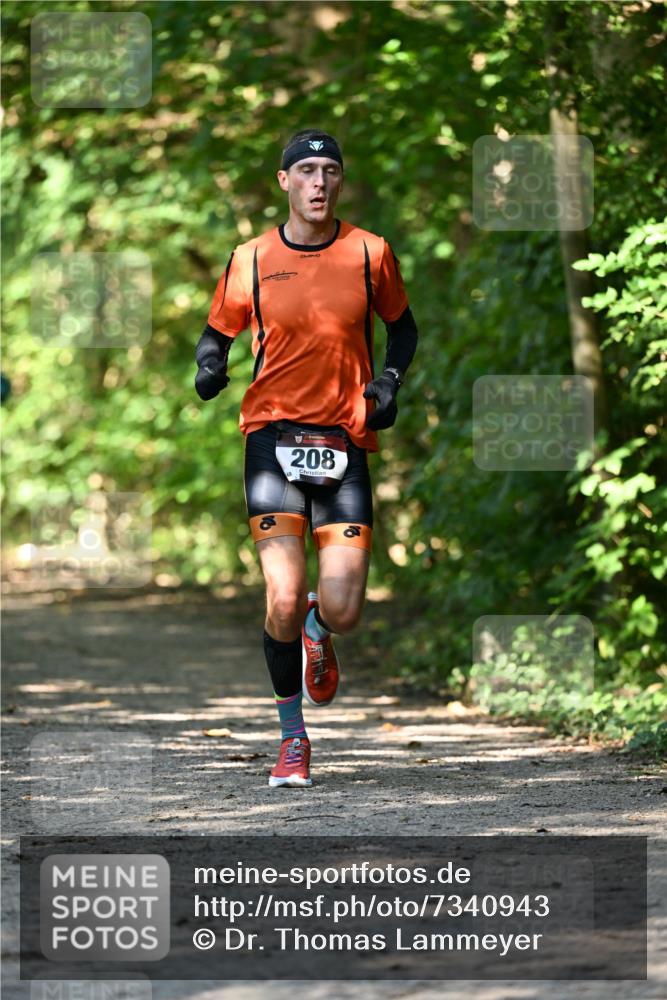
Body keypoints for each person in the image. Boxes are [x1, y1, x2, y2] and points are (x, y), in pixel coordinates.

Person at [195, 129, 418, 788]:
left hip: (344, 440)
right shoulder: (252, 259)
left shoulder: (369, 253)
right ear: (284, 181)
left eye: (329, 171)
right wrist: (211, 366)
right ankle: (293, 739)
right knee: (283, 596)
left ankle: (320, 629)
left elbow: (401, 328)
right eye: (306, 171)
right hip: (271, 438)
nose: (318, 182)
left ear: (339, 182)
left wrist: (388, 384)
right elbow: (216, 332)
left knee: (343, 610)